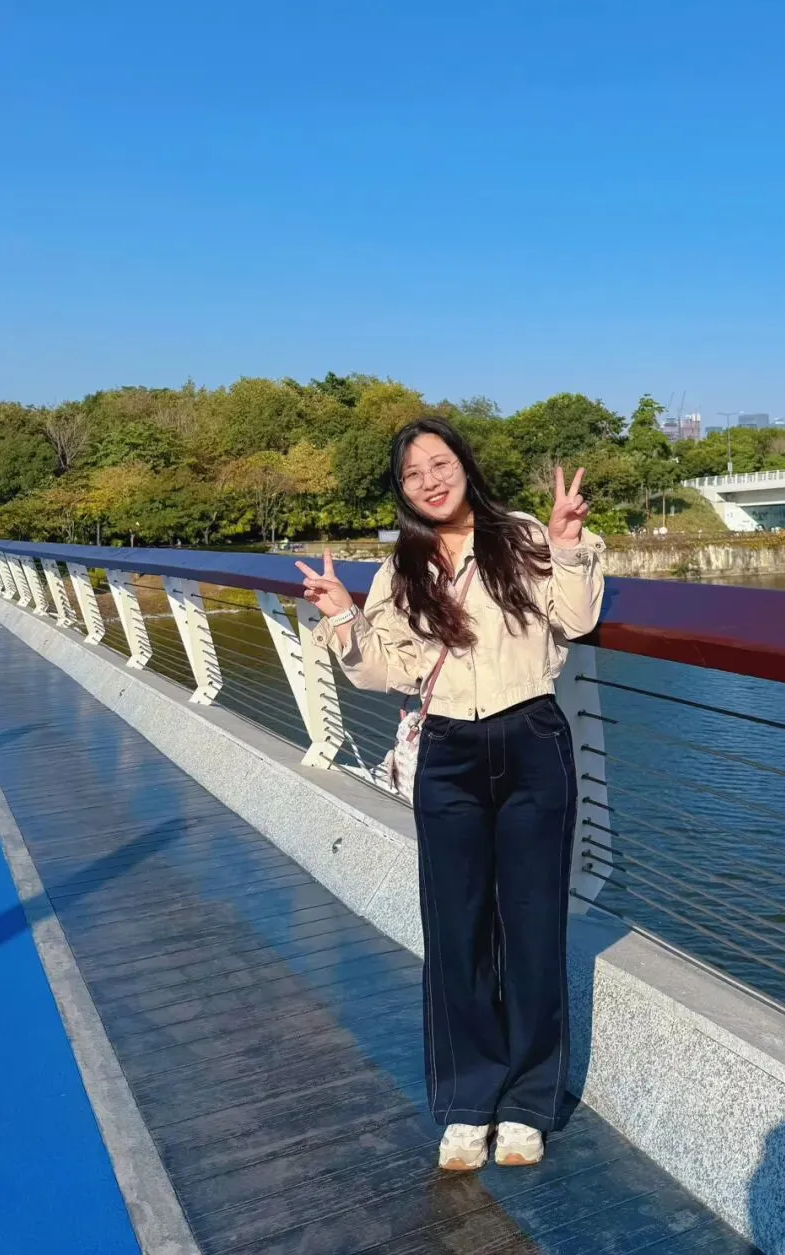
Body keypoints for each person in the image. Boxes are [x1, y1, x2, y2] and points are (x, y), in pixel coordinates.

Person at [296, 417, 605, 1172]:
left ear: (465, 464)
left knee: (533, 924)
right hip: (448, 752)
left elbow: (576, 618)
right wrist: (343, 617)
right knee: (455, 926)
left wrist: (567, 541)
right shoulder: (401, 567)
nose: (430, 480)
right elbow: (387, 671)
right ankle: (469, 1103)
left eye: (440, 463)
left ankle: (528, 1102)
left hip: (531, 737)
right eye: (413, 474)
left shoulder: (521, 536)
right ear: (401, 491)